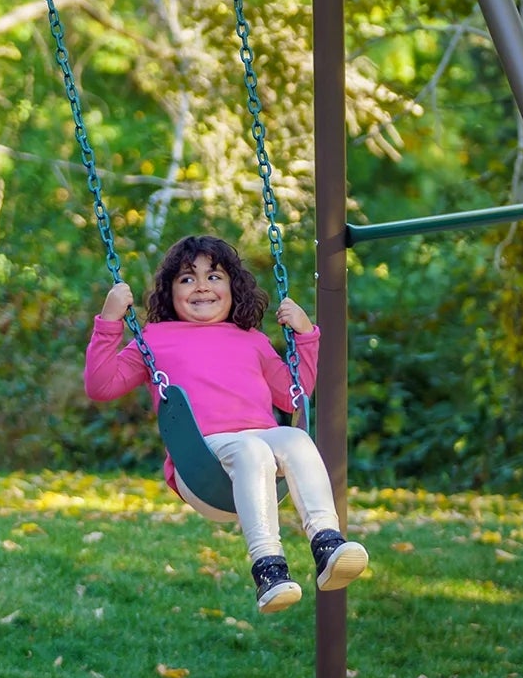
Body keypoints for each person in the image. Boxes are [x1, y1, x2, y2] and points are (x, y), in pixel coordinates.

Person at [84, 233, 369, 613]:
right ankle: (268, 568)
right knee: (252, 448)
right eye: (187, 278)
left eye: (214, 276)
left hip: (258, 457)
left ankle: (327, 543)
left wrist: (305, 336)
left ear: (233, 288)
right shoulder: (154, 339)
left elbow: (292, 395)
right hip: (202, 467)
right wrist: (109, 321)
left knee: (295, 439)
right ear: (169, 292)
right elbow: (101, 385)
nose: (202, 286)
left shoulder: (251, 340)